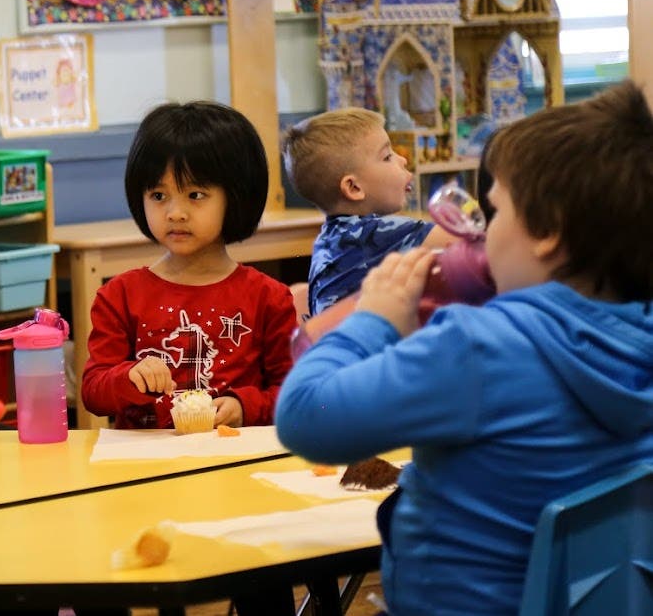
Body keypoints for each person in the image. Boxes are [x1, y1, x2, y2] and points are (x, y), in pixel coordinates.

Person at [276, 81, 653, 616]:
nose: (479, 235)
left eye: (493, 213)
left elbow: (304, 417)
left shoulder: (476, 349)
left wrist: (374, 320)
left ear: (546, 232)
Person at [81, 102, 296, 431]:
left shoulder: (268, 298)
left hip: (232, 459)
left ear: (236, 196)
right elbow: (93, 392)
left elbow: (294, 395)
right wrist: (129, 377)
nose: (175, 213)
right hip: (145, 466)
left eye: (195, 195)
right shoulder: (120, 295)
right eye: (158, 195)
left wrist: (245, 405)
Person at [282, 107, 453, 316]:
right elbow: (463, 238)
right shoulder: (370, 234)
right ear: (354, 188)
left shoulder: (330, 239)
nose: (403, 160)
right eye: (387, 157)